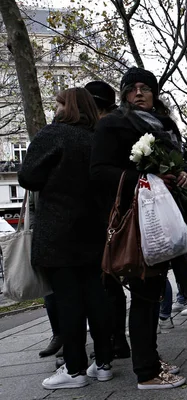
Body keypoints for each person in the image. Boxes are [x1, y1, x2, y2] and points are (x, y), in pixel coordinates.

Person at [91, 67, 187, 390]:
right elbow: (100, 171)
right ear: (123, 94)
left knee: (154, 291)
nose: (139, 93)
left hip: (162, 219)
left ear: (154, 93)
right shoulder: (112, 124)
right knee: (145, 294)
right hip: (135, 222)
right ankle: (146, 371)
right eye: (132, 88)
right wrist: (146, 179)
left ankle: (151, 357)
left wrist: (183, 175)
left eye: (145, 88)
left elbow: (179, 164)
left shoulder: (166, 126)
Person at [18, 88, 113, 390]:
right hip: (95, 231)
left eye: (59, 103)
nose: (56, 108)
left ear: (68, 106)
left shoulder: (55, 134)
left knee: (68, 301)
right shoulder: (98, 138)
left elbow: (28, 176)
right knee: (97, 297)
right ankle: (104, 363)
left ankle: (74, 369)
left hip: (58, 233)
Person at [84, 80, 130, 360]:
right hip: (113, 213)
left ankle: (113, 340)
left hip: (102, 216)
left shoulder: (98, 131)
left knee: (105, 282)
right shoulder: (116, 126)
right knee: (110, 282)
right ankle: (117, 340)